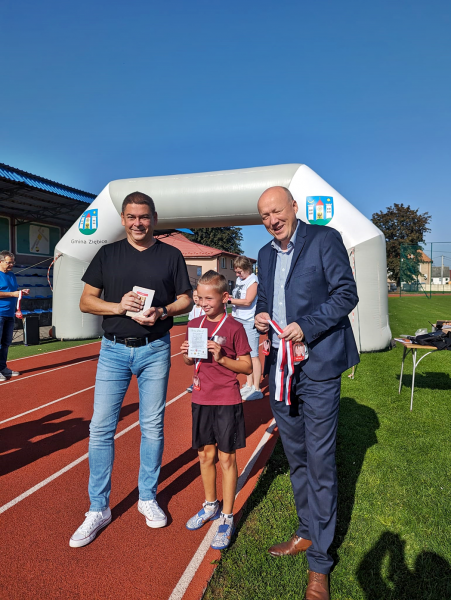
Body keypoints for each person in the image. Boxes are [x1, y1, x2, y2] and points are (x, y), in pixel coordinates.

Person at [69, 191, 193, 548]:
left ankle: (147, 497)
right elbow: (86, 301)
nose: (138, 223)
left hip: (155, 349)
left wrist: (164, 311)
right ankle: (98, 508)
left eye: (144, 217)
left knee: (152, 426)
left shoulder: (170, 255)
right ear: (123, 219)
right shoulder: (107, 254)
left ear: (154, 217)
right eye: (131, 217)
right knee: (100, 428)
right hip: (113, 351)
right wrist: (118, 306)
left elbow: (185, 298)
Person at [254, 187, 359, 600]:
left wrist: (307, 326)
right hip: (280, 368)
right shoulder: (264, 254)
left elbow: (346, 293)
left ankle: (320, 563)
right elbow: (267, 298)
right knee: (296, 454)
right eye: (264, 215)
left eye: (277, 210)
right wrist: (263, 317)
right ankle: (305, 531)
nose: (272, 219)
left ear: (294, 208)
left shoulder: (323, 238)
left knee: (319, 459)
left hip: (316, 366)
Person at [180, 270, 252, 550]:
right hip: (201, 398)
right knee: (204, 455)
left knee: (226, 458)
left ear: (224, 298)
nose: (203, 303)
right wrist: (187, 354)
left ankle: (227, 515)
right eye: (199, 298)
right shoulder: (195, 323)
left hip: (226, 400)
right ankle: (210, 504)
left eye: (208, 298)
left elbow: (246, 367)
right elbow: (190, 362)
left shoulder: (234, 327)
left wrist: (222, 358)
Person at [228, 256, 263, 401]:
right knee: (244, 354)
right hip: (238, 318)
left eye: (239, 271)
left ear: (247, 269)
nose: (237, 275)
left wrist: (229, 300)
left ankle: (257, 388)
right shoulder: (240, 280)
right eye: (236, 272)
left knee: (253, 355)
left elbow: (248, 301)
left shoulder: (253, 281)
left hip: (249, 320)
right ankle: (249, 384)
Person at [0, 251, 29, 381]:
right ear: (0, 261)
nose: (11, 264)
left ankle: (2, 367)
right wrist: (13, 294)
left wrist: (21, 292)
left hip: (9, 314)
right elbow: (11, 293)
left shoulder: (11, 275)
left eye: (13, 262)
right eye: (9, 262)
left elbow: (14, 291)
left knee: (5, 343)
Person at [186, 287, 205, 393]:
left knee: (204, 362)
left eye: (198, 297)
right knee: (196, 361)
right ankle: (196, 382)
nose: (196, 299)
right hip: (194, 338)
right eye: (194, 296)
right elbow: (190, 322)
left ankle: (202, 381)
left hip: (203, 338)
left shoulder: (204, 308)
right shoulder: (193, 308)